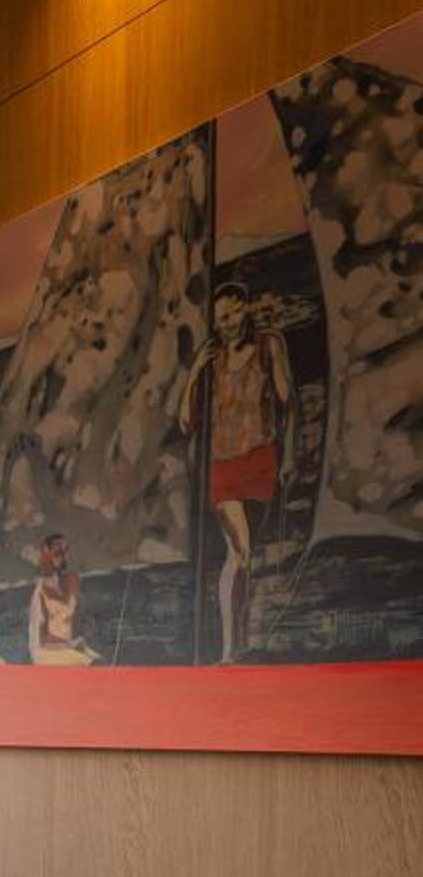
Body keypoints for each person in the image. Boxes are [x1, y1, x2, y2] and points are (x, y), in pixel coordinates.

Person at [176, 282, 294, 663]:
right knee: (239, 551)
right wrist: (195, 370)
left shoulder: (269, 344)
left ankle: (237, 645)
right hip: (223, 467)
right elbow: (186, 421)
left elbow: (288, 401)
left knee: (244, 556)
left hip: (261, 461)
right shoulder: (213, 360)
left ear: (245, 308)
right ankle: (229, 650)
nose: (226, 324)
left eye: (231, 313)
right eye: (220, 318)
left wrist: (290, 455)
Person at [26, 532, 98, 665]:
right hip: (47, 651)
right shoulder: (40, 592)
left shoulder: (73, 581)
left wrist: (80, 641)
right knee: (90, 664)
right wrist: (69, 644)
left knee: (102, 662)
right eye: (58, 553)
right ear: (48, 555)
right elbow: (40, 641)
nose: (64, 557)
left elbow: (79, 619)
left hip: (69, 646)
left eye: (66, 551)